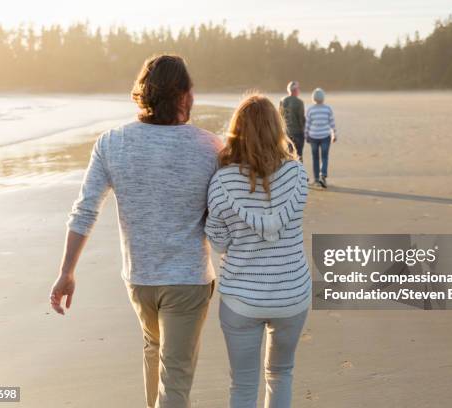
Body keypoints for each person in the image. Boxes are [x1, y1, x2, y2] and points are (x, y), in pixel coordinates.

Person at [49, 54, 223, 408]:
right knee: (174, 376)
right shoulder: (210, 146)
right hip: (188, 279)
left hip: (139, 279)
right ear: (184, 95)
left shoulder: (112, 143)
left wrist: (67, 272)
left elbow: (85, 210)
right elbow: (226, 211)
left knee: (154, 349)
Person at [205, 93, 311, 408]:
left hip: (241, 298)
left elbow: (219, 242)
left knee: (243, 385)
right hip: (292, 294)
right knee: (281, 374)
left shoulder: (222, 181)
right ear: (276, 129)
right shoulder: (296, 174)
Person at [305, 88, 337, 188]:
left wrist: (306, 135)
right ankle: (323, 175)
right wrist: (334, 135)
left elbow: (307, 124)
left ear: (313, 98)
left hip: (313, 136)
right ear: (323, 97)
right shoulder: (328, 109)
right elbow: (332, 123)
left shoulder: (310, 109)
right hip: (325, 137)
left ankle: (316, 179)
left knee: (315, 158)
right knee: (324, 157)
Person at [279, 81, 306, 161]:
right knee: (299, 155)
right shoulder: (299, 102)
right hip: (297, 133)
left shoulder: (282, 100)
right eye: (298, 88)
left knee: (288, 156)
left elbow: (279, 116)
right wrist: (304, 130)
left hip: (286, 132)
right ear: (295, 90)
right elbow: (301, 119)